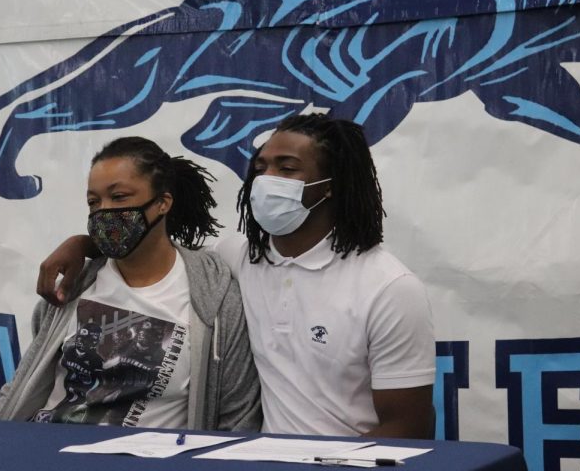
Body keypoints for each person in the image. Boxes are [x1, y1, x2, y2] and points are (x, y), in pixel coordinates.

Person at [38, 115, 435, 438]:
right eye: (260, 166)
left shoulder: (389, 288)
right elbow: (148, 247)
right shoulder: (237, 258)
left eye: (287, 168)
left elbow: (409, 426)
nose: (265, 179)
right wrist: (81, 244)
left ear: (329, 187)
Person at [0, 136, 262, 431]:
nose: (104, 211)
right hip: (49, 457)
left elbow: (237, 416)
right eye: (94, 201)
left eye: (119, 198)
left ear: (162, 203)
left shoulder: (214, 299)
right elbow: (26, 382)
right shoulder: (75, 285)